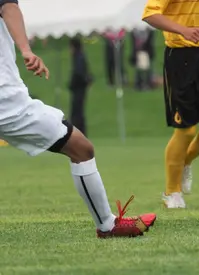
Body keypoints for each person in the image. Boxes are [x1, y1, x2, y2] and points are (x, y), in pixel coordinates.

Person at [0, 0, 156, 238]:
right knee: (81, 149)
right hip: (7, 101)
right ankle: (107, 225)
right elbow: (8, 6)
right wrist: (26, 50)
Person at [142, 0, 199, 208]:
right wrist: (183, 30)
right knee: (186, 131)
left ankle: (185, 160)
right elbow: (150, 14)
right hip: (180, 60)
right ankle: (172, 192)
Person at [68, 38, 92, 136]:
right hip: (80, 88)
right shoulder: (80, 56)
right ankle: (79, 132)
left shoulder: (78, 57)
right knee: (78, 111)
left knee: (76, 111)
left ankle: (78, 132)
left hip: (78, 88)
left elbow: (79, 73)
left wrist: (72, 84)